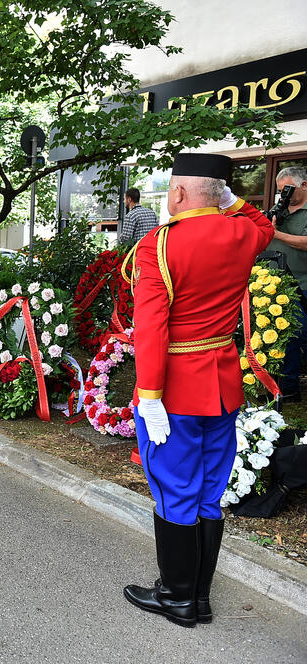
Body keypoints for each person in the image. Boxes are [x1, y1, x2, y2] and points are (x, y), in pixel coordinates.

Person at [123, 153, 274, 628]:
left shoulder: (157, 247)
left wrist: (148, 397)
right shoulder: (242, 233)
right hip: (223, 385)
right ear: (221, 194)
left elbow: (151, 329)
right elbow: (261, 224)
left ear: (179, 194)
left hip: (175, 390)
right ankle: (200, 597)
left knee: (174, 492)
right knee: (209, 493)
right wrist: (233, 201)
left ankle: (177, 597)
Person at [261, 166, 307, 402]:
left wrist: (275, 233)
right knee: (281, 338)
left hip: (303, 283)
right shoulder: (278, 212)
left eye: (288, 189)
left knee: (302, 336)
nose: (284, 195)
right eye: (281, 191)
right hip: (274, 284)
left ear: (304, 185)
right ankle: (286, 388)